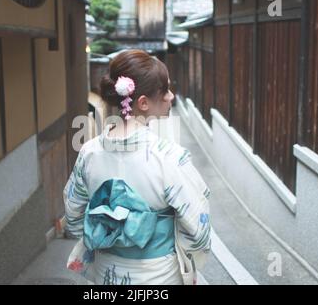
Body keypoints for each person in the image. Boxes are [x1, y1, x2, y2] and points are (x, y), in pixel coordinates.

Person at [64, 50, 211, 285]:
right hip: (158, 277)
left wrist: (109, 235)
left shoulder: (88, 153)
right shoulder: (170, 158)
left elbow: (73, 220)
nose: (171, 96)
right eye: (165, 90)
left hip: (106, 275)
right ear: (143, 102)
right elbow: (198, 233)